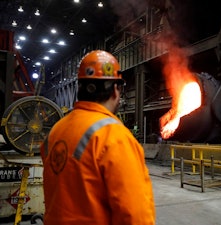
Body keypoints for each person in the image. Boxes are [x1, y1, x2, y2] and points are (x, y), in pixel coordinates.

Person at [40, 50, 156, 225]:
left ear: (79, 88)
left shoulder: (56, 131)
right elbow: (135, 216)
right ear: (116, 90)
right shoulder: (114, 137)